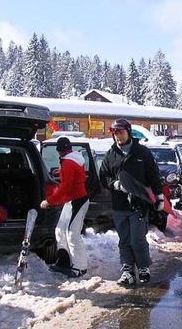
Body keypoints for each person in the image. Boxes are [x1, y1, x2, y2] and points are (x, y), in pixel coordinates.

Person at [99, 119, 165, 286]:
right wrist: (114, 184)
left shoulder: (142, 152)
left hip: (139, 204)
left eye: (121, 132)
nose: (118, 136)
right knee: (124, 239)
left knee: (137, 238)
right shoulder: (110, 154)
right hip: (119, 204)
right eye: (115, 133)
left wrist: (159, 197)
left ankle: (143, 267)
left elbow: (153, 176)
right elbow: (104, 175)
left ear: (128, 132)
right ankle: (127, 270)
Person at [40, 136, 90, 278]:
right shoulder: (74, 159)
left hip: (77, 201)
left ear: (59, 150)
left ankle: (80, 267)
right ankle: (64, 261)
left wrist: (49, 200)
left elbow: (65, 187)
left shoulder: (68, 163)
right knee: (60, 230)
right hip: (73, 200)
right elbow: (75, 177)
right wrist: (61, 173)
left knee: (72, 234)